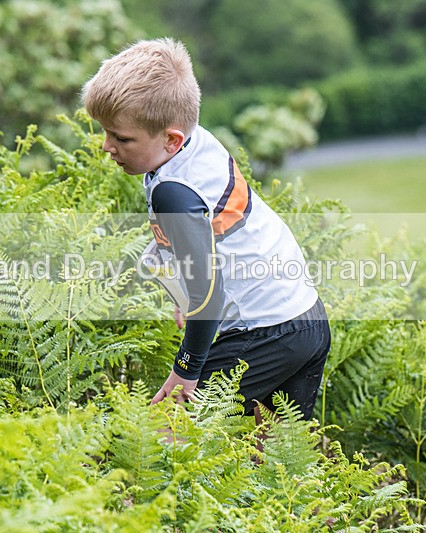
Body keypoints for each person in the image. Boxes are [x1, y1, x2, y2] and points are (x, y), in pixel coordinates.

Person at [81, 38, 330, 422]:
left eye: (121, 138)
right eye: (106, 132)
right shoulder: (198, 142)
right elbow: (206, 230)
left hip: (264, 332)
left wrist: (186, 369)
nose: (106, 146)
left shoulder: (172, 192)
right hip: (306, 316)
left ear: (171, 138)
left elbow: (209, 298)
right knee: (282, 458)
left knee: (163, 437)